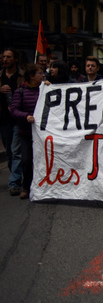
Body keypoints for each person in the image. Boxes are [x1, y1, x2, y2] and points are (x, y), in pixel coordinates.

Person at [10, 64, 44, 200]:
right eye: (40, 73)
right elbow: (14, 110)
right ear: (31, 76)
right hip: (26, 133)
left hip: (42, 134)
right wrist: (26, 116)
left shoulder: (44, 89)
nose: (43, 75)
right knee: (26, 160)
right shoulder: (20, 92)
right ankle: (26, 186)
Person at [0, 47, 24, 196]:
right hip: (3, 118)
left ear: (15, 59)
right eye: (4, 57)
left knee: (16, 151)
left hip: (17, 118)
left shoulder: (22, 76)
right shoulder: (0, 76)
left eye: (9, 57)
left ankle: (14, 182)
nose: (5, 59)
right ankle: (14, 174)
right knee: (9, 151)